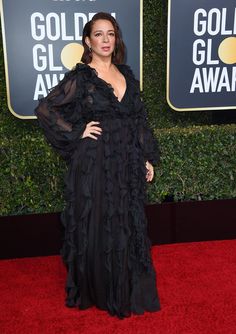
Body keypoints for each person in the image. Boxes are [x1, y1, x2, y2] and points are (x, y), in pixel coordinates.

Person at [35, 12, 161, 319]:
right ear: (88, 41)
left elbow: (138, 119)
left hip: (126, 160)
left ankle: (124, 284)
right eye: (98, 34)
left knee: (125, 222)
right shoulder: (82, 77)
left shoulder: (126, 75)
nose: (105, 40)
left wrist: (145, 156)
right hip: (95, 160)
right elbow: (45, 109)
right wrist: (78, 132)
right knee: (99, 222)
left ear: (116, 39)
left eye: (110, 34)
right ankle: (100, 288)